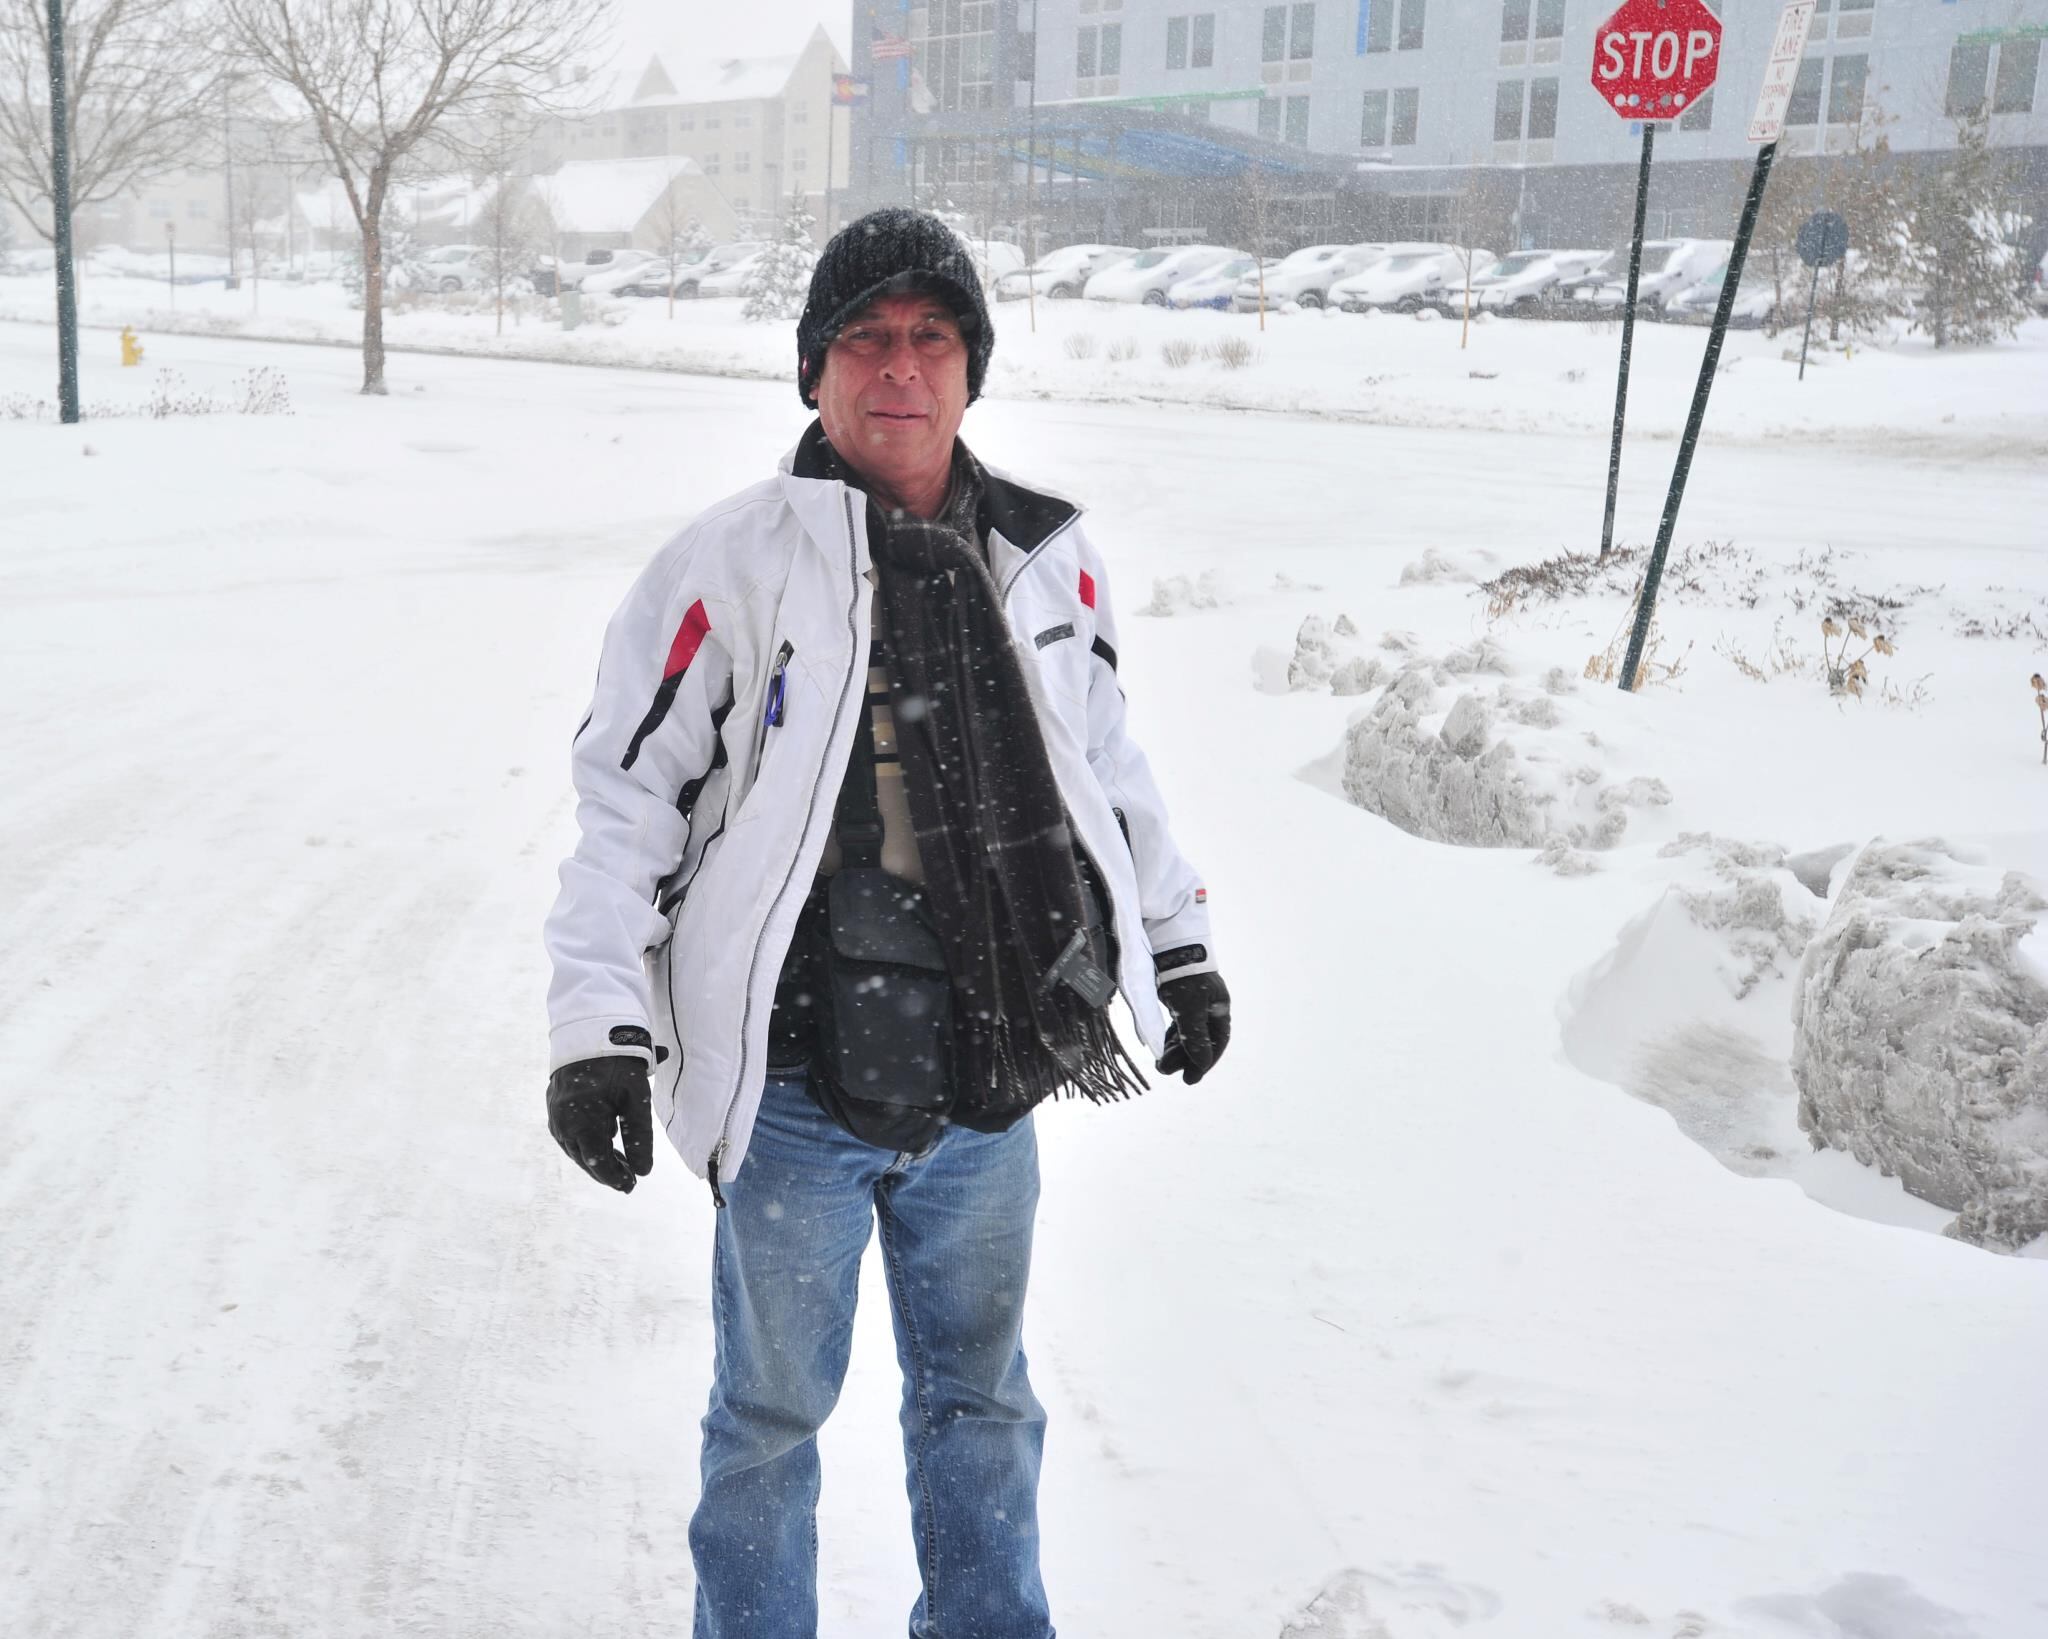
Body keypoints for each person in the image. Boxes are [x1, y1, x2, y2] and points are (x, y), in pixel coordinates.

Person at [542, 209, 1230, 1639]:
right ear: (814, 374)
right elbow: (627, 808)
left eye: (931, 339)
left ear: (971, 370)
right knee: (770, 1423)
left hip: (991, 1069)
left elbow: (1108, 771)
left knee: (981, 1401)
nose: (898, 368)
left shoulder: (1046, 559)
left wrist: (1181, 948)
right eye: (865, 338)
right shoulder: (729, 569)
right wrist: (596, 1032)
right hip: (800, 1082)